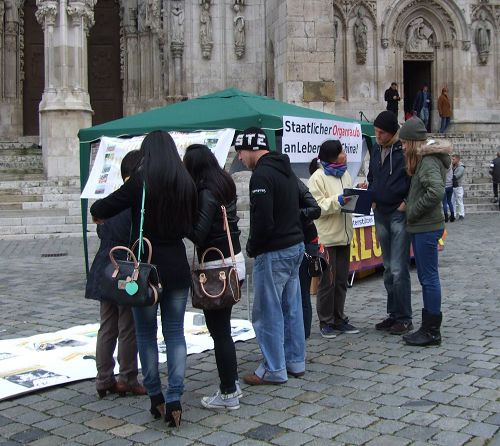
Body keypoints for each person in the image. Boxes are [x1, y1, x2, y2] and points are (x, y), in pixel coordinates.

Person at [91, 130, 198, 427]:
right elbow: (191, 225)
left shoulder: (140, 182)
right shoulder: (186, 183)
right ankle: (175, 396)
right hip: (175, 265)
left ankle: (156, 397)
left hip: (144, 269)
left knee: (146, 334)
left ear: (147, 154)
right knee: (175, 333)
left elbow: (99, 208)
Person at [235, 127, 305, 385]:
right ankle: (295, 361)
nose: (240, 158)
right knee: (291, 307)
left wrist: (253, 246)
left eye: (240, 151)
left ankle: (274, 368)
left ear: (252, 148)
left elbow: (262, 220)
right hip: (294, 245)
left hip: (275, 249)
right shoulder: (285, 169)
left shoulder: (262, 176)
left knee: (268, 311)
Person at [183, 144, 245, 410]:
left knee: (219, 333)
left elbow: (199, 234)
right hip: (233, 261)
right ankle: (232, 382)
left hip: (217, 267)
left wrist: (179, 220)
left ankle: (229, 392)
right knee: (224, 330)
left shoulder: (206, 193)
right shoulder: (223, 185)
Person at [85, 150, 147, 399]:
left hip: (105, 265)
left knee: (107, 325)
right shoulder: (130, 200)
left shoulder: (112, 198)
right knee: (126, 324)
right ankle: (128, 377)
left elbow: (102, 231)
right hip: (124, 268)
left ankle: (103, 378)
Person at [398, 117, 451, 346]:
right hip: (423, 226)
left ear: (412, 142)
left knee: (429, 278)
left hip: (426, 227)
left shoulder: (428, 161)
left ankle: (431, 331)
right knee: (426, 277)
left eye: (403, 143)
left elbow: (436, 192)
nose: (401, 147)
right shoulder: (424, 159)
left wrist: (412, 210)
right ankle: (428, 327)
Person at [367, 111, 412, 335]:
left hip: (398, 213)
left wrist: (405, 202)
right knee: (387, 268)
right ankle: (393, 314)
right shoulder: (376, 149)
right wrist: (371, 195)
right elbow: (372, 176)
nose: (377, 136)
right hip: (380, 213)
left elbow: (413, 177)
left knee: (398, 268)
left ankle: (405, 317)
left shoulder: (403, 150)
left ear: (392, 132)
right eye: (376, 131)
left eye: (381, 132)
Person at [308, 141, 359, 338]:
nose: (345, 155)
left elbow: (349, 200)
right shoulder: (317, 178)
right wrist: (337, 201)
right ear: (332, 156)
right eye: (342, 152)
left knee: (340, 280)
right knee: (326, 282)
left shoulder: (345, 174)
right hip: (327, 238)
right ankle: (325, 321)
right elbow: (317, 207)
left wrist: (358, 194)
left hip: (345, 235)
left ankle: (339, 318)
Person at [297, 178, 321, 340]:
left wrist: (293, 214)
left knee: (303, 291)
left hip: (306, 241)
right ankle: (301, 330)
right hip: (304, 240)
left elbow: (315, 209)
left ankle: (303, 331)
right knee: (301, 291)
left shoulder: (295, 184)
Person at [451, 154, 465, 220]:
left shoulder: (461, 167)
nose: (452, 160)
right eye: (452, 159)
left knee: (459, 201)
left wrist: (448, 176)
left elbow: (457, 176)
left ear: (458, 159)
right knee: (452, 201)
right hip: (452, 186)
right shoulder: (451, 166)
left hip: (458, 186)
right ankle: (453, 215)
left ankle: (461, 214)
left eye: (453, 159)